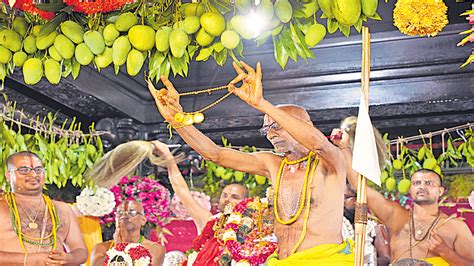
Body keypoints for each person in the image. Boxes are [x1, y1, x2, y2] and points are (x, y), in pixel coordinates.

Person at [148, 61, 353, 264]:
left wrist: (262, 104)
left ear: (305, 125)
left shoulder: (331, 161)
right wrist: (177, 120)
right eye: (267, 129)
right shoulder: (274, 165)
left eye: (277, 126)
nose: (271, 135)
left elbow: (317, 144)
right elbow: (216, 154)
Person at [332, 127, 474, 265]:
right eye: (417, 183)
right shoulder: (396, 217)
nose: (422, 186)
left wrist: (445, 252)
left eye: (429, 183)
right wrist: (344, 148)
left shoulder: (456, 227)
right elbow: (360, 186)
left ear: (441, 191)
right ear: (410, 190)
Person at [0, 151, 87, 265]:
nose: (33, 175)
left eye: (38, 170)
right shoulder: (2, 207)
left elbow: (80, 251)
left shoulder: (62, 209)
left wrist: (68, 258)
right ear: (8, 175)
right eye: (24, 170)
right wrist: (28, 260)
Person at [151, 140, 247, 233]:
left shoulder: (253, 228)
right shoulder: (208, 221)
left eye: (234, 197)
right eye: (224, 195)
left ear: (246, 202)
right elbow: (181, 190)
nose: (227, 199)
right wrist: (167, 156)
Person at [90, 200, 165, 266]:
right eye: (120, 213)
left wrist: (121, 247)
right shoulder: (100, 248)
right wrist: (117, 247)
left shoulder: (155, 249)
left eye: (132, 212)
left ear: (143, 220)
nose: (124, 215)